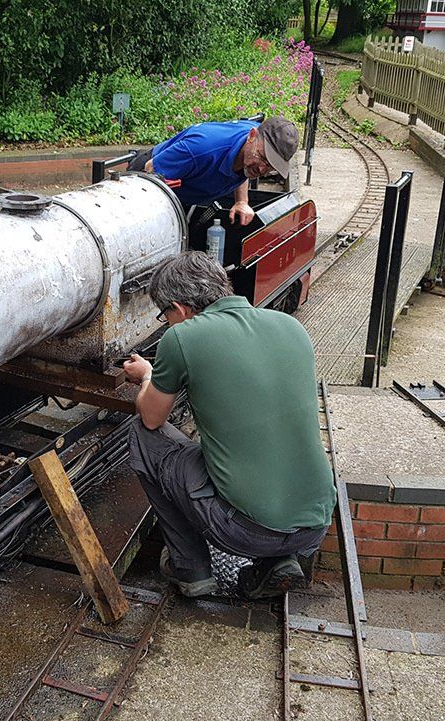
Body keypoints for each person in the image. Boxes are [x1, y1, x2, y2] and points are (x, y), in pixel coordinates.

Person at [122, 251, 335, 598]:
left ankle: (190, 567)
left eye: (165, 316)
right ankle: (277, 563)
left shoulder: (182, 337)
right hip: (315, 524)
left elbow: (151, 417)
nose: (168, 323)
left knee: (143, 436)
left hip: (244, 532)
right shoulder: (291, 326)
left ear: (179, 309)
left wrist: (147, 375)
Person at [128, 116, 299, 226]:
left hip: (191, 188)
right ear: (251, 136)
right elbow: (150, 169)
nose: (262, 169)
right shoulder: (201, 148)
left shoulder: (254, 145)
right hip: (149, 175)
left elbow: (245, 167)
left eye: (270, 166)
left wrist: (242, 201)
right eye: (262, 157)